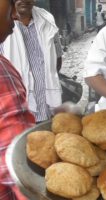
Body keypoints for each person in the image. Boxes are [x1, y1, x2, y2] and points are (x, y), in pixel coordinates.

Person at [0, 0, 63, 123]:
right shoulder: (3, 26)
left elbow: (57, 58)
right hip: (16, 111)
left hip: (47, 107)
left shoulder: (47, 20)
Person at [0, 0, 35, 199]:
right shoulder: (2, 74)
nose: (14, 15)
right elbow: (16, 169)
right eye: (10, 3)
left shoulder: (46, 20)